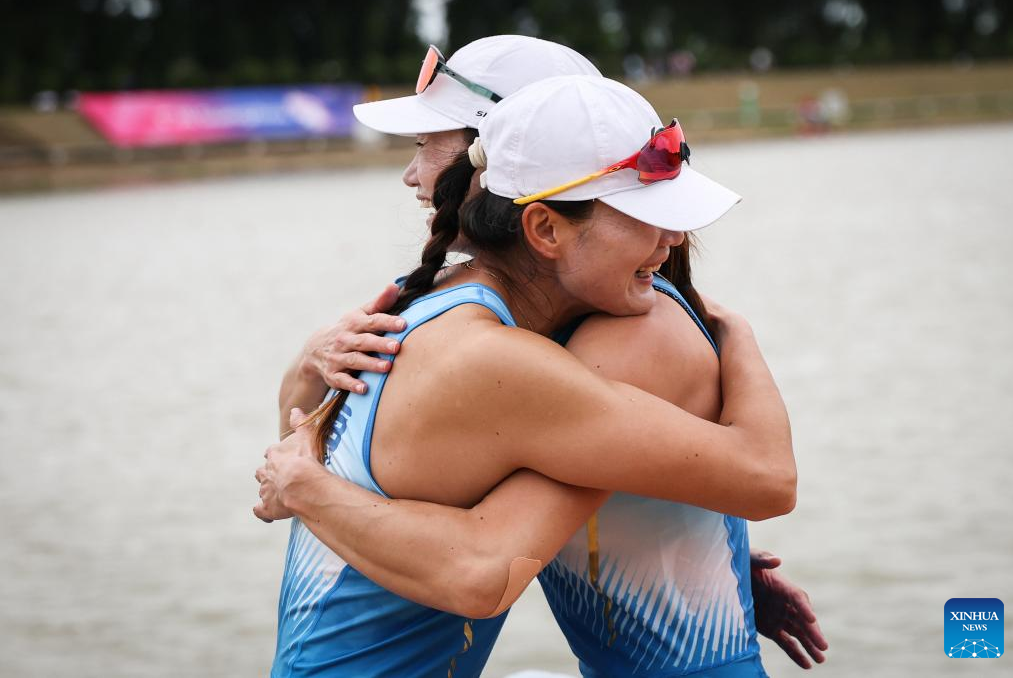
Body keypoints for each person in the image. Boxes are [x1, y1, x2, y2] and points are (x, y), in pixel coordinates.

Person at [258, 74, 798, 678]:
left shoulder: (424, 300)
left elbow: (305, 437)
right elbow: (769, 481)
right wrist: (736, 331)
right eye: (645, 214)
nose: (674, 237)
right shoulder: (511, 361)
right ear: (543, 229)